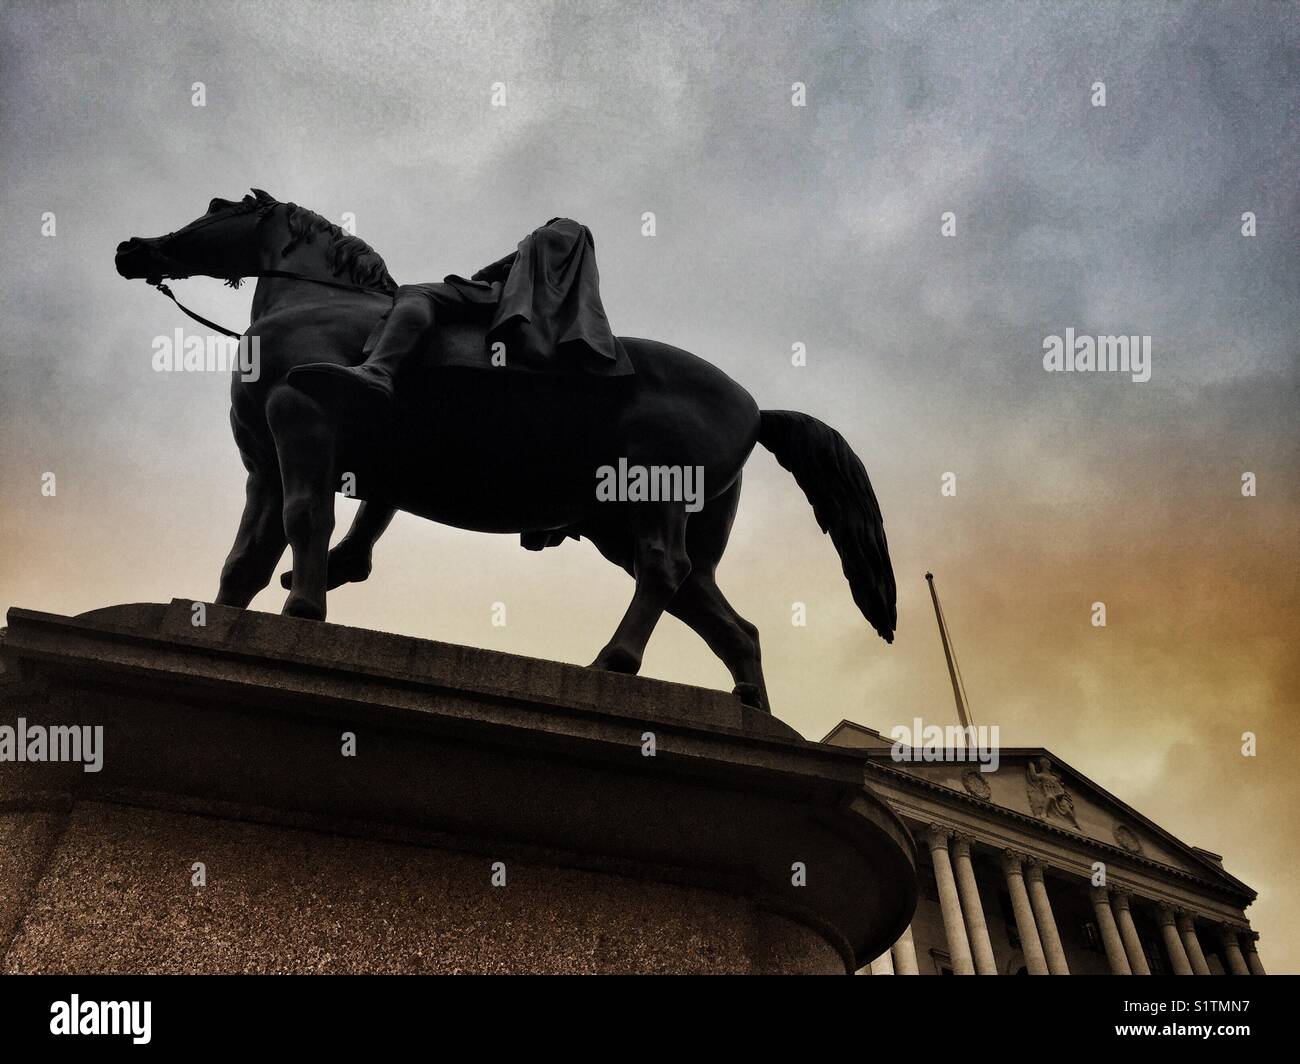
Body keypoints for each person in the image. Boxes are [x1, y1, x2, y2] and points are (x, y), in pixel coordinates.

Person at [288, 216, 631, 411]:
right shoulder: (556, 252)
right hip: (511, 294)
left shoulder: (564, 230)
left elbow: (535, 251)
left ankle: (379, 370)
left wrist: (495, 268)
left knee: (418, 292)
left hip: (508, 300)